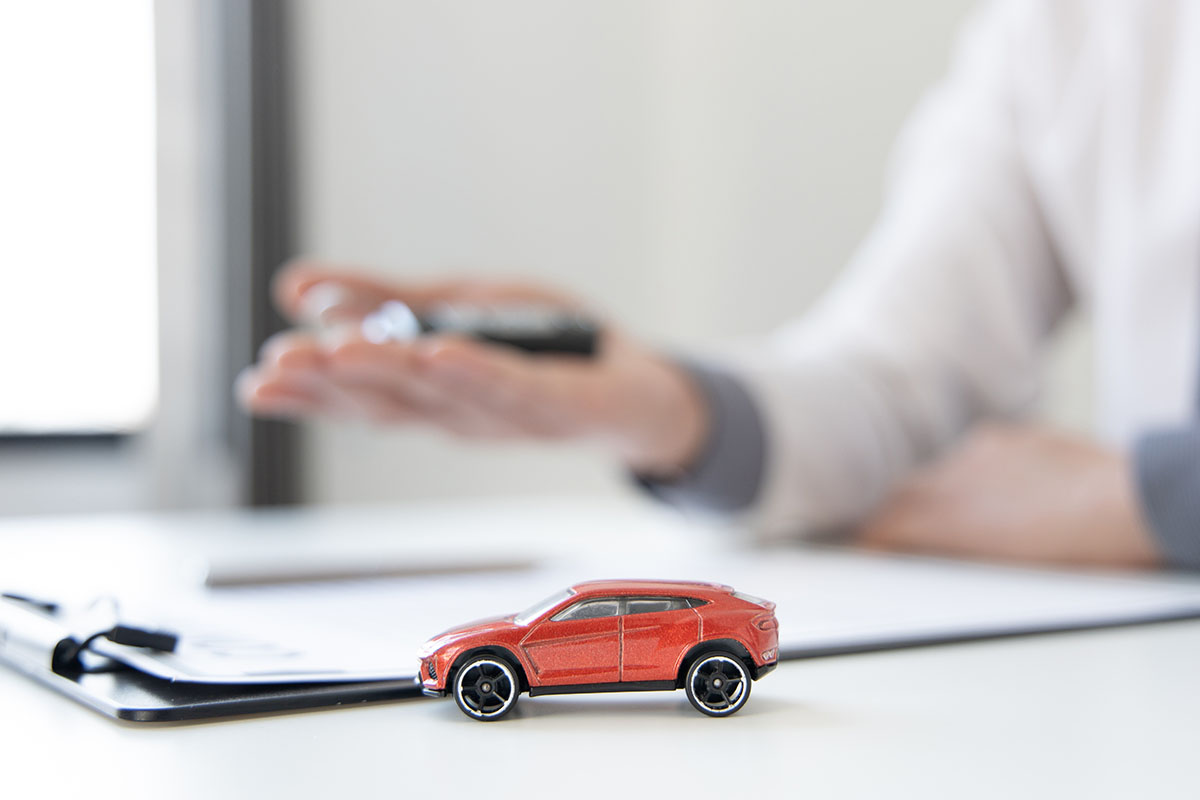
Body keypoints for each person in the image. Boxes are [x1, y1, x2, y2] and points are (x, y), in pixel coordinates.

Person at [239, 0, 1198, 570]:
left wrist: (1157, 498)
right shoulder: (1071, 27)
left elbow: (1113, 496)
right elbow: (906, 383)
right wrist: (676, 411)